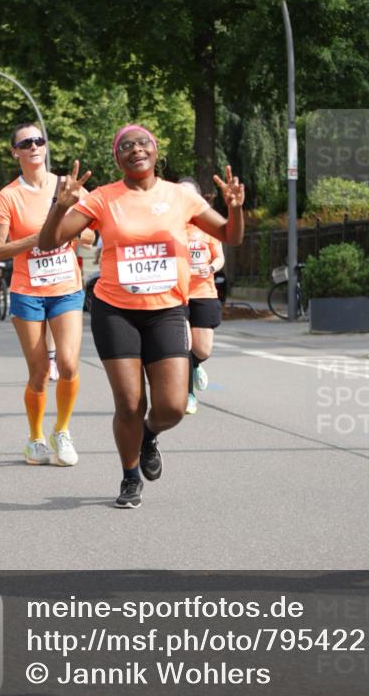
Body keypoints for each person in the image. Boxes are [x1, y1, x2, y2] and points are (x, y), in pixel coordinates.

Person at [39, 124, 245, 509]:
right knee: (129, 403)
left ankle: (149, 435)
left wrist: (235, 208)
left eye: (143, 143)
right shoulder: (103, 199)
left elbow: (231, 236)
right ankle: (130, 474)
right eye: (125, 146)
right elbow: (49, 241)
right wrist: (61, 205)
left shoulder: (180, 197)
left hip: (166, 310)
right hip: (115, 311)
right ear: (117, 158)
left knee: (172, 406)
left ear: (156, 151)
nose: (135, 149)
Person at [0, 123, 94, 467]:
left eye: (39, 140)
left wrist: (66, 232)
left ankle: (61, 431)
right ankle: (35, 438)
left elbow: (93, 234)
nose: (34, 146)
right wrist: (37, 239)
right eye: (26, 142)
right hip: (27, 291)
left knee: (67, 364)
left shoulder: (68, 185)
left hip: (66, 287)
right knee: (38, 373)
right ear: (15, 152)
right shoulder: (8, 196)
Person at [178, 177, 225, 415]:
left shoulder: (208, 226)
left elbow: (220, 257)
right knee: (183, 344)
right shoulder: (172, 225)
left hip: (204, 291)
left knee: (202, 349)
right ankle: (188, 395)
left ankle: (196, 364)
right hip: (178, 294)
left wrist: (212, 268)